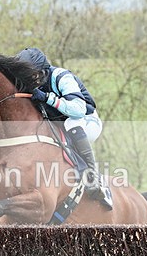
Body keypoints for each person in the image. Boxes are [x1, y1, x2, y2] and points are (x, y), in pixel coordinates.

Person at [16, 47, 112, 209]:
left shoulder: (61, 77)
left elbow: (77, 110)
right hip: (56, 123)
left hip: (85, 121)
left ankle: (93, 177)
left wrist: (47, 98)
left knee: (71, 123)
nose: (31, 82)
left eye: (33, 76)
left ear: (43, 72)